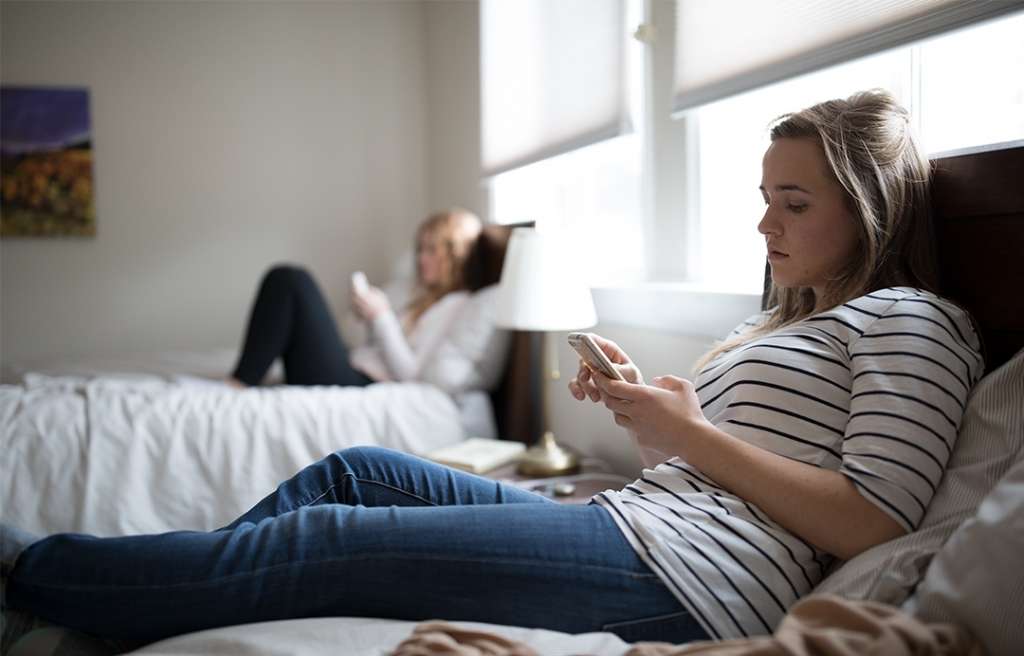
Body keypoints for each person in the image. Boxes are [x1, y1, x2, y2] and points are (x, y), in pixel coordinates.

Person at [1, 90, 984, 647]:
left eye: (795, 202)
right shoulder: (784, 326)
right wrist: (663, 416)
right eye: (764, 196)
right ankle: (168, 590)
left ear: (873, 207)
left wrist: (688, 432)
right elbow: (715, 465)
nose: (764, 222)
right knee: (352, 469)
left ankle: (35, 569)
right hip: (633, 524)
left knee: (330, 534)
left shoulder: (913, 319)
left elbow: (874, 518)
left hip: (689, 579)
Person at [229, 208, 484, 389]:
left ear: (455, 256)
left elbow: (412, 374)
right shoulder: (420, 295)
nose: (420, 259)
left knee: (291, 280)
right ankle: (243, 379)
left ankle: (241, 382)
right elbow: (376, 348)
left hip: (360, 381)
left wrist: (382, 317)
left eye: (431, 250)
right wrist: (368, 319)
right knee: (288, 283)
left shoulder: (456, 305)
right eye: (420, 249)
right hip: (351, 366)